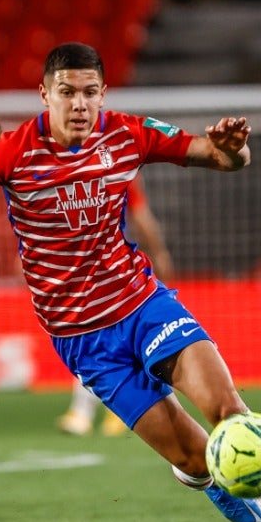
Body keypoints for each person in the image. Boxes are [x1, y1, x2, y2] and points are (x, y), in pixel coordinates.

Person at [0, 41, 261, 522]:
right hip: (83, 340)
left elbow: (219, 157)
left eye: (89, 92)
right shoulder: (12, 153)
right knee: (196, 458)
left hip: (144, 305)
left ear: (103, 94)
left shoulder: (125, 132)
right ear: (44, 93)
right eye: (67, 92)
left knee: (233, 413)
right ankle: (202, 476)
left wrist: (233, 150)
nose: (79, 104)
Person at [56, 177, 173, 438]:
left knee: (109, 335)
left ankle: (112, 409)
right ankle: (86, 411)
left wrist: (159, 251)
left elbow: (140, 215)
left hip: (116, 269)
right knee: (92, 335)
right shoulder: (76, 172)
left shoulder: (118, 170)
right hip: (85, 270)